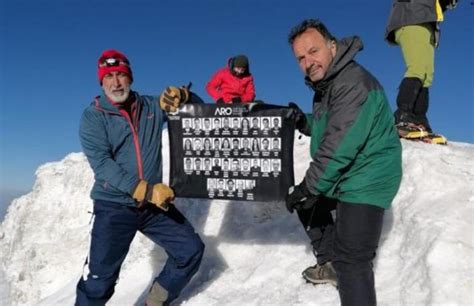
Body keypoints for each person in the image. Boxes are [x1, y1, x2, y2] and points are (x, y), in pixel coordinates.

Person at [286, 20, 402, 306]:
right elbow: (332, 125)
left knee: (353, 260)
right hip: (350, 170)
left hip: (368, 176)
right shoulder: (328, 86)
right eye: (300, 58)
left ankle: (343, 268)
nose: (308, 62)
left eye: (313, 51)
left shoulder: (351, 83)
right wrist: (304, 122)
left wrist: (309, 186)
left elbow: (339, 144)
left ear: (333, 47)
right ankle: (329, 263)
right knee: (307, 204)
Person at [77, 49, 205, 306]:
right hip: (113, 206)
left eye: (121, 75)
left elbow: (195, 110)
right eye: (109, 76)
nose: (116, 82)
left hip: (152, 206)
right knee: (99, 281)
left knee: (190, 251)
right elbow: (103, 165)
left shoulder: (151, 107)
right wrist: (146, 190)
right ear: (101, 81)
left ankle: (154, 302)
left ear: (130, 78)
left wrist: (185, 95)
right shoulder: (93, 116)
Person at [385, 0, 457, 144]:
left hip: (426, 22)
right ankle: (402, 117)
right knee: (417, 69)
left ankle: (419, 120)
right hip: (412, 18)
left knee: (427, 75)